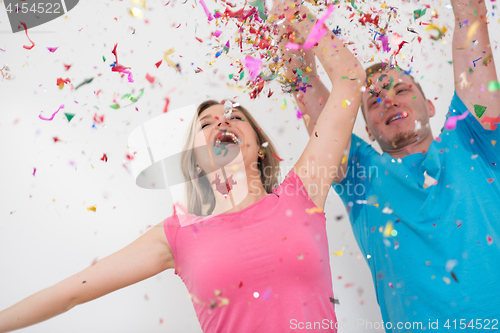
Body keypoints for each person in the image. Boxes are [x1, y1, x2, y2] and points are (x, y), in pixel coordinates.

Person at [0, 3, 366, 332]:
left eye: (235, 117)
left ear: (258, 144)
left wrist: (294, 12)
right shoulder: (176, 234)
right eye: (206, 125)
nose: (223, 124)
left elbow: (349, 79)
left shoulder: (302, 193)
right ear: (193, 159)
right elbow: (70, 293)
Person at [287, 0, 500, 331]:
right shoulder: (362, 175)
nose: (388, 100)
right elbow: (303, 82)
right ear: (368, 131)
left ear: (430, 105)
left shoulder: (474, 139)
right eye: (373, 100)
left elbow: (470, 15)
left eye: (401, 89)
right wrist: (290, 19)